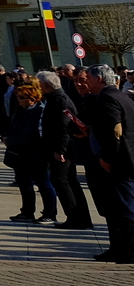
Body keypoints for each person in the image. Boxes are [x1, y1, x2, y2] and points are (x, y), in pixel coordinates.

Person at [73, 66, 134, 263]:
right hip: (122, 159)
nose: (86, 82)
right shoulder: (119, 96)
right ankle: (118, 248)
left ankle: (130, 251)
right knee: (115, 210)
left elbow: (114, 132)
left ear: (98, 78)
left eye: (88, 78)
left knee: (125, 209)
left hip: (118, 163)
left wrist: (107, 159)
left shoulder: (108, 98)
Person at [39, 70, 94, 229]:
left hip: (64, 148)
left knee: (62, 180)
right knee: (66, 181)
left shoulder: (60, 99)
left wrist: (60, 149)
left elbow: (64, 126)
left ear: (47, 85)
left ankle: (76, 217)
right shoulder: (54, 98)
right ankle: (78, 217)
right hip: (59, 146)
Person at [5, 74, 53, 222]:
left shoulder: (39, 111)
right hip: (21, 153)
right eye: (18, 97)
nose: (18, 101)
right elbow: (15, 126)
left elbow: (31, 133)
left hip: (35, 153)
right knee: (24, 183)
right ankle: (27, 211)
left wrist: (11, 140)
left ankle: (50, 213)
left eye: (22, 98)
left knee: (43, 183)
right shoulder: (22, 110)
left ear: (32, 98)